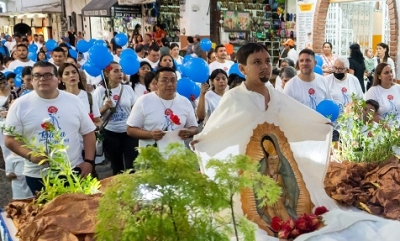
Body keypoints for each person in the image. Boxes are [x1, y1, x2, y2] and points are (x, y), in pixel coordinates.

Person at [192, 42, 400, 241]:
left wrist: (320, 124)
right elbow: (217, 128)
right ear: (242, 68)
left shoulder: (275, 95)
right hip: (249, 172)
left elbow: (298, 115)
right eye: (257, 62)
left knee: (294, 206)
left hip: (281, 168)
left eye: (267, 61)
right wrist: (203, 140)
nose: (264, 66)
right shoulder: (234, 98)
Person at [4, 61, 96, 194]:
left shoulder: (73, 101)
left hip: (73, 170)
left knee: (75, 212)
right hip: (39, 175)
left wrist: (89, 161)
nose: (42, 79)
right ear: (32, 80)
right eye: (37, 76)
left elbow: (88, 132)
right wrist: (31, 155)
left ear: (57, 79)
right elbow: (9, 139)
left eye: (47, 75)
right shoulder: (20, 105)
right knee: (46, 213)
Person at [126, 67, 198, 149]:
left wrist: (188, 132)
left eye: (173, 80)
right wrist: (150, 134)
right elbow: (130, 129)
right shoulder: (143, 101)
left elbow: (194, 128)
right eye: (164, 80)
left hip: (177, 156)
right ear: (156, 83)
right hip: (151, 154)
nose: (170, 84)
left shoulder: (185, 102)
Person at [93, 62, 137, 175]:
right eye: (116, 71)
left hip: (128, 132)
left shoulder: (127, 89)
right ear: (107, 74)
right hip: (110, 133)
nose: (120, 74)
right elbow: (95, 116)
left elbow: (134, 110)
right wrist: (105, 107)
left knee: (131, 165)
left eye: (121, 71)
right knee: (117, 166)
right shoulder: (100, 91)